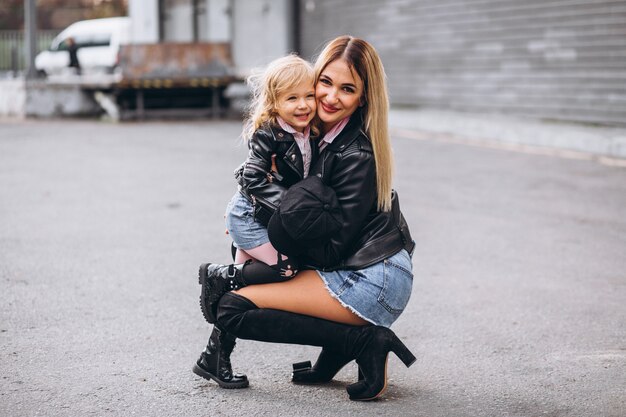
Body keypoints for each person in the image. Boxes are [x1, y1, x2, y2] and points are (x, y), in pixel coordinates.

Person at [196, 35, 416, 401]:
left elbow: (328, 250)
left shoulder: (356, 153)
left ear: (363, 98)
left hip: (372, 281)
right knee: (253, 254)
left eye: (347, 89)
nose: (330, 97)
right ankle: (337, 345)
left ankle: (365, 340)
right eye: (325, 83)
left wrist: (270, 234)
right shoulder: (315, 134)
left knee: (232, 308)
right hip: (356, 265)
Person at [192, 55, 317, 388]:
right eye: (292, 98)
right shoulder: (269, 132)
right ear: (274, 102)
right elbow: (252, 178)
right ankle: (219, 275)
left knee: (242, 290)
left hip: (261, 214)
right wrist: (290, 209)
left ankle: (212, 358)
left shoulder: (307, 131)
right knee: (285, 268)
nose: (303, 105)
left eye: (309, 96)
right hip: (251, 217)